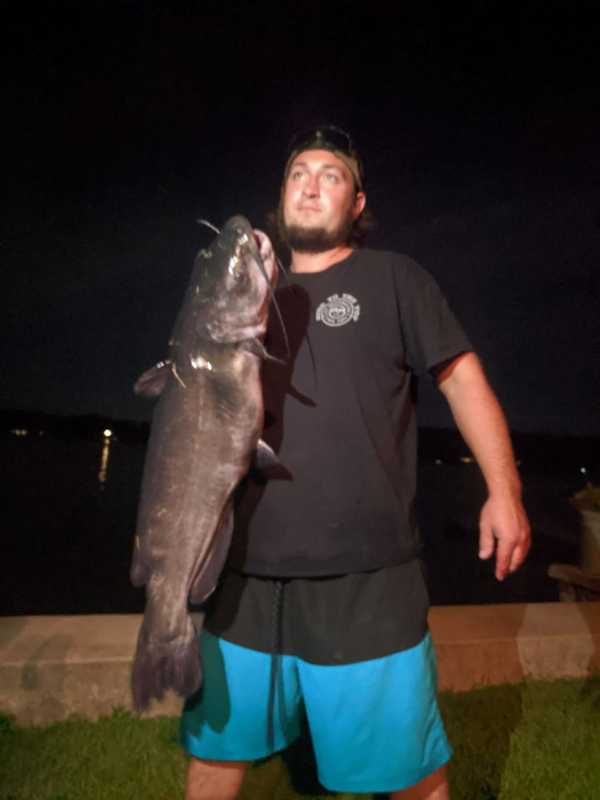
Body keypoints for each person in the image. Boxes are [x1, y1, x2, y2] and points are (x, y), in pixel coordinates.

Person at [180, 125, 531, 800]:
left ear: (358, 201)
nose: (311, 184)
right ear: (280, 198)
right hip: (245, 575)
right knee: (215, 755)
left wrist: (504, 490)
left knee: (410, 775)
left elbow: (461, 379)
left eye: (331, 175)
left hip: (369, 580)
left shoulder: (395, 278)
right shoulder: (245, 300)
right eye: (298, 174)